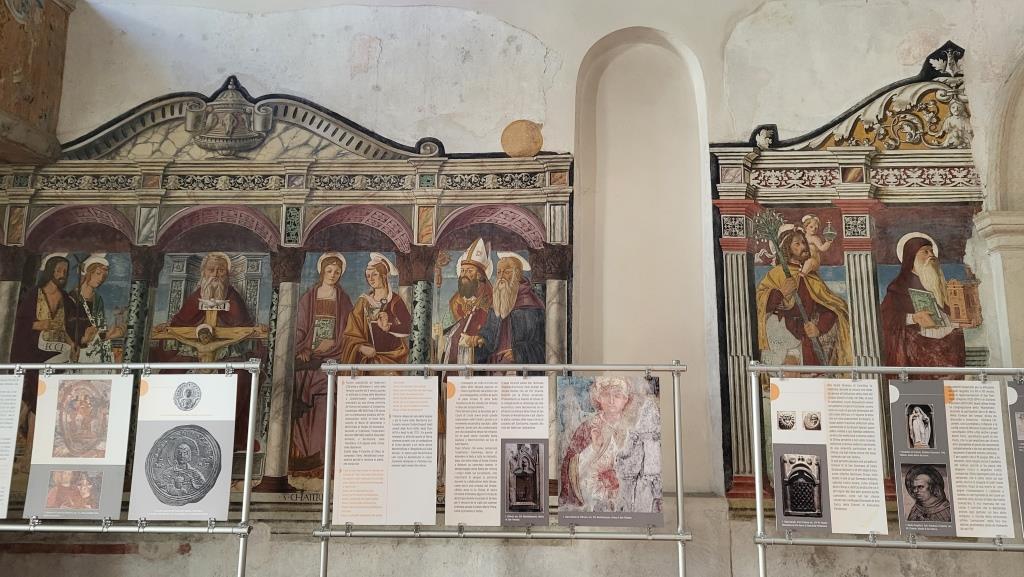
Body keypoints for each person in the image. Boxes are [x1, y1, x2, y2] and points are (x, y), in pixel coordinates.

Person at [291, 252, 353, 476]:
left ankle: (322, 454)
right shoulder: (309, 297)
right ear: (322, 272)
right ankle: (304, 454)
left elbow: (348, 331)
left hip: (332, 357)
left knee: (326, 401)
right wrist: (305, 348)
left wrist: (332, 345)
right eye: (329, 271)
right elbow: (299, 329)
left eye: (337, 272)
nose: (333, 275)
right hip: (308, 359)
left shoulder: (343, 299)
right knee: (301, 403)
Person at [559, 377, 662, 513]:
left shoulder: (634, 427)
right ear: (598, 397)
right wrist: (593, 448)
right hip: (593, 499)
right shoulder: (588, 427)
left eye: (617, 396)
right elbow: (572, 469)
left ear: (626, 399)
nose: (611, 401)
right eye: (606, 395)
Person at [756, 227, 852, 367]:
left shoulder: (810, 276)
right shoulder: (776, 274)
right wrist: (780, 293)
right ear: (787, 248)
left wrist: (819, 328)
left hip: (805, 338)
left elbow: (829, 308)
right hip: (780, 333)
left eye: (804, 242)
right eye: (797, 244)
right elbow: (760, 304)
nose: (804, 246)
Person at [880, 233, 969, 372]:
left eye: (932, 251)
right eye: (925, 251)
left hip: (948, 351)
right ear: (912, 257)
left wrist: (958, 323)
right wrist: (914, 318)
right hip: (917, 354)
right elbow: (885, 317)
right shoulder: (898, 287)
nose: (931, 255)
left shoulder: (941, 286)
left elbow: (948, 315)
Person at [13, 253, 86, 365]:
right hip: (32, 355)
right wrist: (36, 325)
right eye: (59, 270)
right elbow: (16, 323)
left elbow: (65, 328)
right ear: (50, 271)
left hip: (58, 355)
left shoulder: (66, 299)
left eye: (65, 271)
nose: (62, 275)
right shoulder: (33, 295)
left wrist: (72, 344)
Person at [341, 253, 411, 365]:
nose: (370, 279)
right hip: (368, 359)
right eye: (368, 276)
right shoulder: (363, 302)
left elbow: (409, 327)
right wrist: (361, 347)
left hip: (393, 357)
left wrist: (389, 327)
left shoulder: (395, 301)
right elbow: (350, 333)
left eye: (374, 274)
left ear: (384, 276)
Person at [477, 253, 545, 364]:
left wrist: (518, 354)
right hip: (494, 366)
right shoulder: (497, 303)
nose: (501, 277)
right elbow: (489, 335)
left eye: (506, 272)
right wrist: (480, 340)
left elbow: (543, 346)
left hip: (518, 369)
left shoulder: (531, 306)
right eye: (499, 272)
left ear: (517, 274)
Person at [440, 238, 493, 364]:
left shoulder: (491, 298)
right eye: (463, 270)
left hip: (478, 353)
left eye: (469, 271)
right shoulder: (455, 301)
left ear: (480, 275)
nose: (464, 274)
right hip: (455, 352)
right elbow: (446, 327)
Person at [67, 254, 126, 363]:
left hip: (96, 349)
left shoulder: (98, 299)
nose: (101, 278)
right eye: (98, 273)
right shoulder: (72, 298)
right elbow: (68, 328)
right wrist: (83, 339)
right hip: (80, 351)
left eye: (104, 276)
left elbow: (100, 326)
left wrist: (109, 333)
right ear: (88, 272)